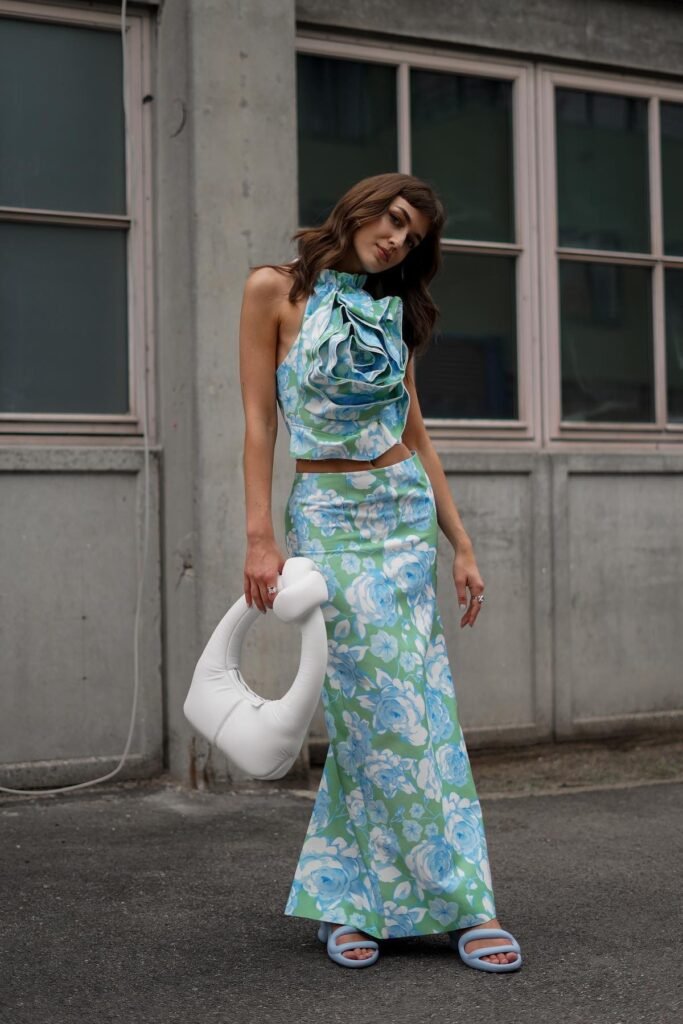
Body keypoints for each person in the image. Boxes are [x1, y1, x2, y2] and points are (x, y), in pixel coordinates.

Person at [239, 172, 522, 973]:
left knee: (419, 712)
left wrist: (458, 541)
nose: (398, 239)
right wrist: (261, 536)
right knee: (372, 716)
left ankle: (451, 904)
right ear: (360, 207)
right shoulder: (272, 291)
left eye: (413, 236)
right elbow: (260, 422)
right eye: (393, 219)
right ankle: (374, 897)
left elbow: (416, 434)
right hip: (327, 518)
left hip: (399, 520)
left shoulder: (393, 309)